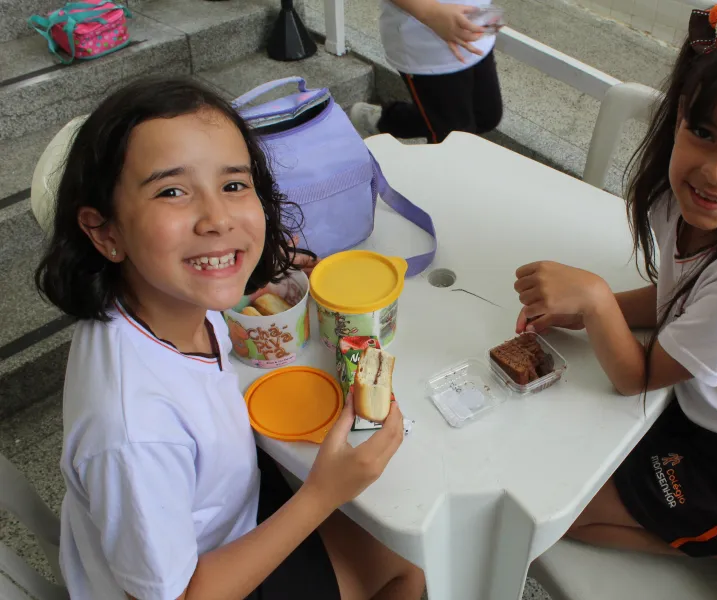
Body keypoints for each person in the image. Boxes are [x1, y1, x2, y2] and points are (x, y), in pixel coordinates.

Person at [35, 76, 425, 600]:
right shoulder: (134, 430)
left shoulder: (160, 299)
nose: (217, 219)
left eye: (234, 185)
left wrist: (235, 272)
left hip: (221, 511)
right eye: (171, 191)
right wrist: (323, 494)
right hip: (201, 578)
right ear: (106, 232)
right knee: (410, 567)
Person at [512, 2, 717, 599]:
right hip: (710, 415)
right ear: (679, 114)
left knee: (564, 516)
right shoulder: (682, 201)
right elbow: (678, 301)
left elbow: (637, 377)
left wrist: (595, 301)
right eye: (704, 132)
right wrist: (591, 310)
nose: (716, 171)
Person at [349, 0, 503, 144]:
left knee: (486, 116)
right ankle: (389, 121)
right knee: (452, 140)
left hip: (476, 33)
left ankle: (386, 120)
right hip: (427, 50)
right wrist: (431, 13)